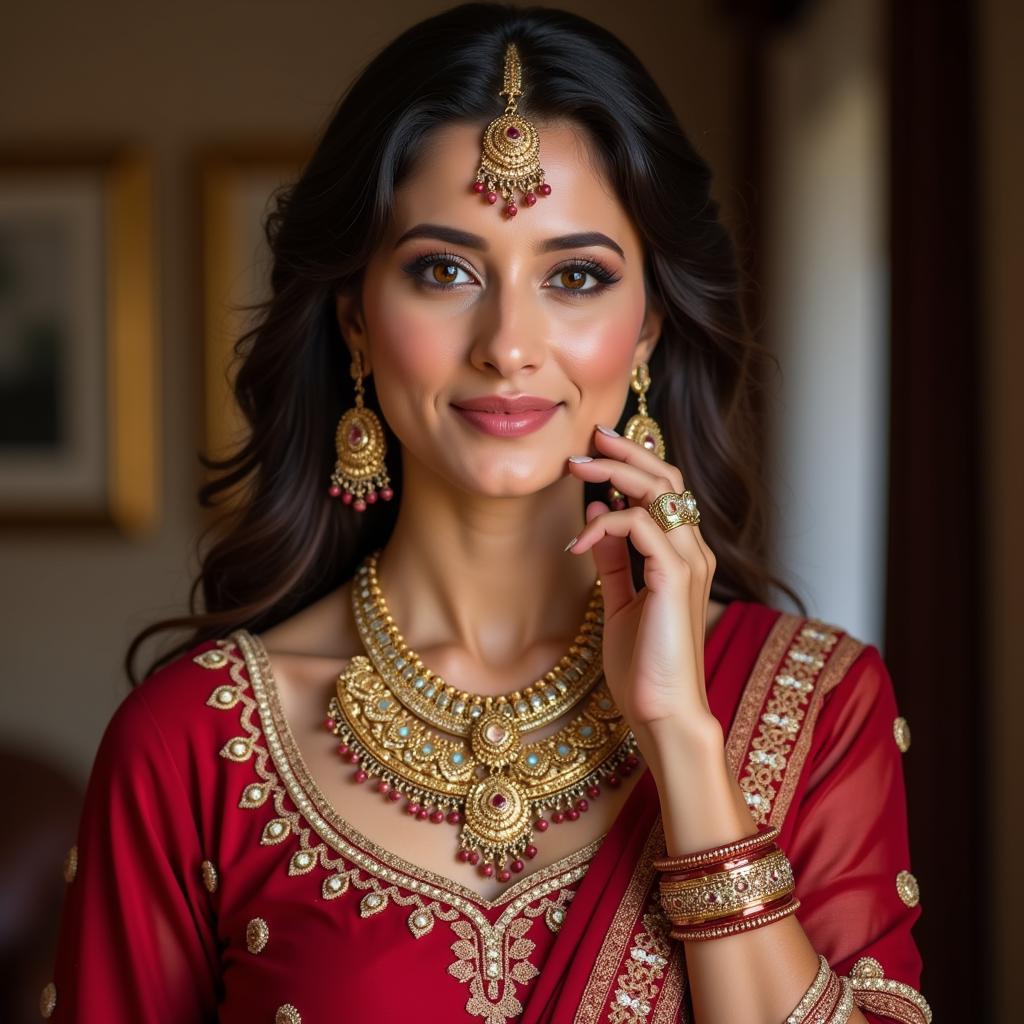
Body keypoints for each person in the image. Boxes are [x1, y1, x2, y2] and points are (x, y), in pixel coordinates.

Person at [43, 4, 931, 1022]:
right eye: (444, 270)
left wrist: (682, 738)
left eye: (575, 276)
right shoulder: (195, 744)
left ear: (645, 330)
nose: (508, 343)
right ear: (356, 320)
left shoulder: (812, 705)